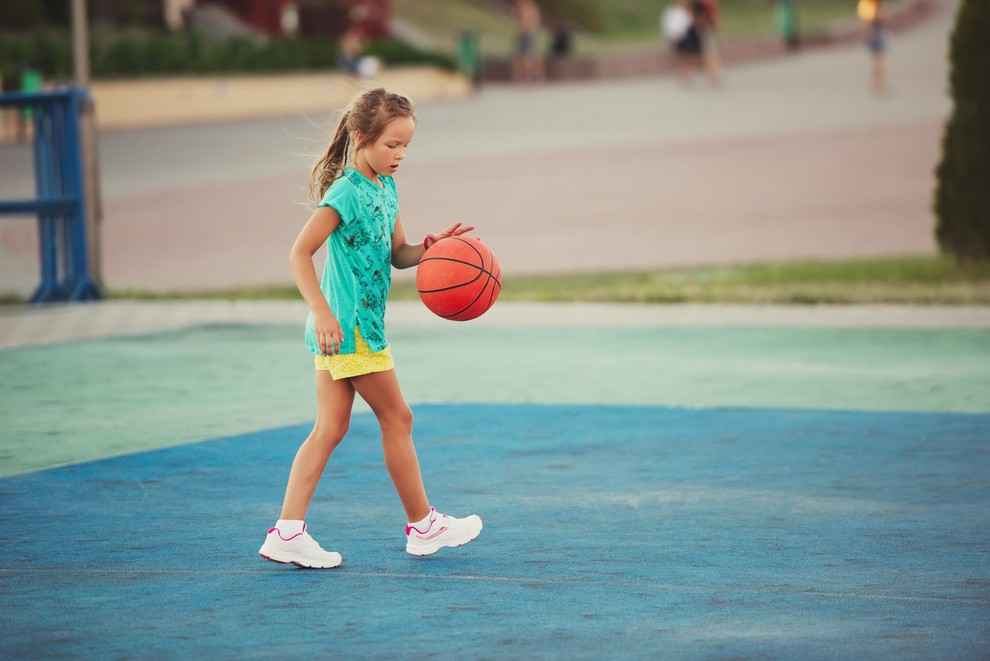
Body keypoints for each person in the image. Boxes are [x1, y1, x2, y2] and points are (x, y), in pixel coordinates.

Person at [258, 88, 483, 569]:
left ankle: (287, 532)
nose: (400, 155)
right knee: (397, 419)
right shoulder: (345, 191)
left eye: (406, 146)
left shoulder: (386, 186)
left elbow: (398, 254)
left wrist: (433, 248)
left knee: (330, 428)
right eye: (391, 145)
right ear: (361, 137)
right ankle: (423, 526)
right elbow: (300, 254)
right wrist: (321, 311)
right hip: (349, 329)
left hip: (354, 330)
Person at [858, 0, 888, 92]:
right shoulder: (870, 6)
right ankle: (879, 81)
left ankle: (877, 81)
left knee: (877, 58)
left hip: (875, 32)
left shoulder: (869, 5)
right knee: (879, 58)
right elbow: (869, 21)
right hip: (875, 33)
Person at [513, 0, 545, 83]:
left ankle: (529, 76)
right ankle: (524, 76)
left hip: (528, 34)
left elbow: (533, 21)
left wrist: (528, 30)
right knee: (524, 56)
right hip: (524, 33)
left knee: (528, 56)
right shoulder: (525, 8)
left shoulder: (530, 8)